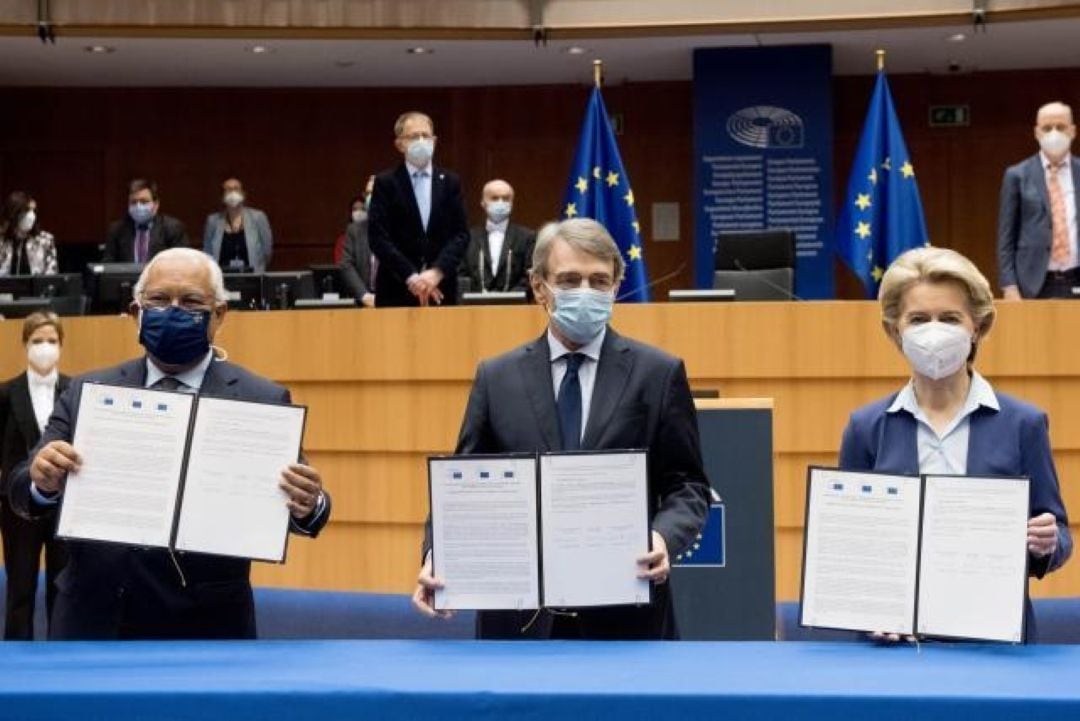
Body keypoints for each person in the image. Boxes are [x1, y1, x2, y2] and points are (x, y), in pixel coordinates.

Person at [7, 248, 331, 640]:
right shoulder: (88, 391)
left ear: (219, 315)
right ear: (135, 311)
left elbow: (306, 506)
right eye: (158, 300)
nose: (173, 311)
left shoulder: (259, 398)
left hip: (208, 626)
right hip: (95, 621)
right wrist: (42, 482)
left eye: (191, 301)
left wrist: (309, 502)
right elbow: (22, 488)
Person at [412, 218, 710, 639]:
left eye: (599, 281)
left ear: (616, 286)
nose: (585, 292)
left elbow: (687, 485)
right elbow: (464, 488)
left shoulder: (657, 374)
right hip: (520, 626)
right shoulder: (497, 378)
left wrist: (663, 538)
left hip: (627, 622)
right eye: (569, 280)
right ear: (539, 287)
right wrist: (438, 556)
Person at [839, 246, 1072, 642]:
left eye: (949, 318)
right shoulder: (866, 427)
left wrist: (1047, 542)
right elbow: (850, 544)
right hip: (893, 649)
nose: (933, 331)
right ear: (895, 330)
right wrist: (870, 611)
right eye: (918, 319)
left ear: (977, 327)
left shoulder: (1023, 424)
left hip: (997, 647)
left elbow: (1059, 537)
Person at [0, 312, 70, 639]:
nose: (45, 347)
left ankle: (62, 647)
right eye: (37, 341)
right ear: (25, 344)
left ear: (61, 345)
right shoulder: (5, 393)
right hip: (17, 508)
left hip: (65, 505)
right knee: (20, 583)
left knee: (63, 583)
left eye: (51, 341)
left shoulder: (74, 390)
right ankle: (16, 652)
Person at [368, 111, 469, 307]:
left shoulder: (450, 182)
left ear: (434, 140)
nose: (422, 141)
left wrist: (436, 272)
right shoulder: (386, 183)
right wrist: (412, 277)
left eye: (426, 136)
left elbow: (461, 235)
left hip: (441, 288)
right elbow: (378, 237)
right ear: (400, 144)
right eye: (414, 136)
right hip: (396, 287)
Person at [998, 101, 1080, 299]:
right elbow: (1006, 236)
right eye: (1047, 128)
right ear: (1037, 133)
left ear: (1073, 131)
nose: (1054, 133)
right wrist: (1009, 285)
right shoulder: (1017, 175)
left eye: (1060, 127)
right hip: (1033, 283)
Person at [459, 179, 536, 295]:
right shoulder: (468, 237)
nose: (500, 202)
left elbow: (530, 275)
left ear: (512, 203)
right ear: (483, 203)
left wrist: (509, 298)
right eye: (494, 198)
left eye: (506, 198)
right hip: (475, 307)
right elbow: (461, 275)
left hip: (515, 307)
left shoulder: (527, 237)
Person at [103, 178, 189, 264]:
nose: (138, 206)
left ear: (156, 205)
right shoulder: (117, 230)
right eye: (133, 202)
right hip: (127, 277)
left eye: (144, 201)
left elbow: (181, 265)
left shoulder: (172, 228)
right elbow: (107, 266)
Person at [202, 177, 273, 273]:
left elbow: (267, 251)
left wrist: (259, 268)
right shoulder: (213, 220)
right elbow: (207, 252)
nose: (232, 193)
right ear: (222, 196)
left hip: (252, 276)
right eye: (228, 189)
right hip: (222, 276)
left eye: (236, 188)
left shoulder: (258, 217)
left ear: (243, 193)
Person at [0, 191, 58, 276]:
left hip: (37, 288)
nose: (31, 216)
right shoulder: (2, 241)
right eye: (27, 211)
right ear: (14, 214)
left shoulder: (45, 241)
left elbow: (51, 276)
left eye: (33, 211)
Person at [339, 176, 377, 307]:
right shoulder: (354, 230)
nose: (370, 197)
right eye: (367, 193)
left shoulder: (401, 229)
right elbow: (346, 265)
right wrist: (364, 295)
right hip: (363, 303)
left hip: (393, 303)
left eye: (374, 192)